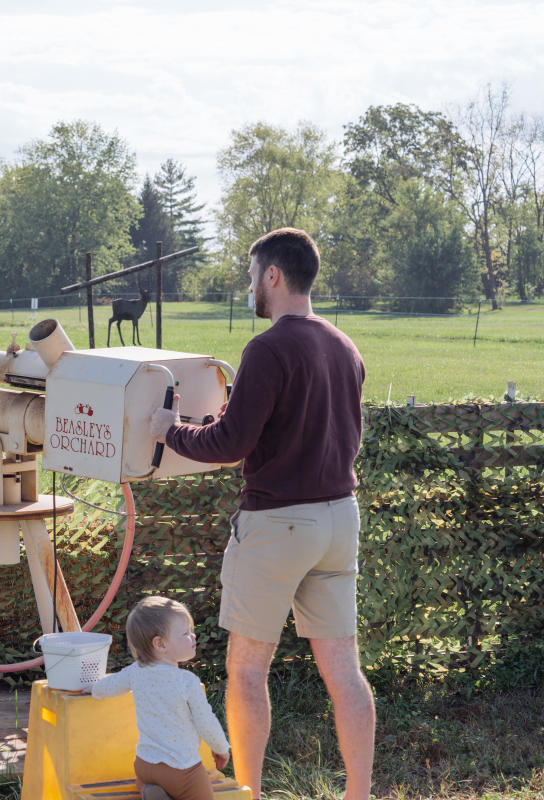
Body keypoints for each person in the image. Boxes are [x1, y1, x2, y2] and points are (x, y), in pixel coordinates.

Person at [149, 228, 373, 800]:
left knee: (248, 668)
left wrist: (169, 431)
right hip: (340, 518)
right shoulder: (345, 347)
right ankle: (360, 793)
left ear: (273, 275)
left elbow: (229, 443)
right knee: (344, 669)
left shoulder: (268, 348)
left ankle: (247, 792)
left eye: (252, 275)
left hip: (277, 524)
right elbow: (331, 431)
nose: (250, 286)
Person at [91, 596, 230, 800]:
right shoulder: (187, 681)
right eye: (185, 633)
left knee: (145, 783)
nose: (193, 636)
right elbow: (206, 722)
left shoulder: (135, 672)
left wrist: (91, 688)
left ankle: (150, 791)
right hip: (182, 771)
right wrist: (221, 749)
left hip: (145, 765)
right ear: (160, 644)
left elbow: (106, 688)